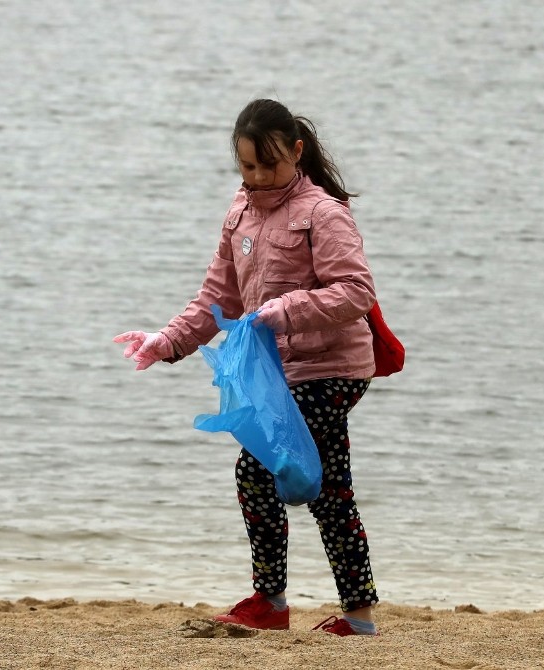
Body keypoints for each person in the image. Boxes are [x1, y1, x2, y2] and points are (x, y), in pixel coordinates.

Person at [113, 99, 380, 636]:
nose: (258, 177)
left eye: (270, 166)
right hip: (276, 374)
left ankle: (272, 602)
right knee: (327, 488)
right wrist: (167, 341)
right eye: (248, 167)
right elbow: (219, 295)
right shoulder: (240, 211)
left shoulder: (323, 212)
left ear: (297, 152)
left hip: (332, 369)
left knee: (257, 471)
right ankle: (355, 615)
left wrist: (288, 309)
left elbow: (356, 292)